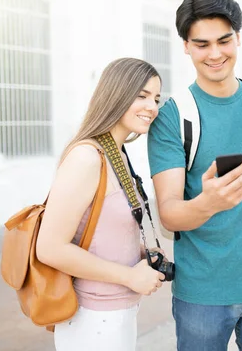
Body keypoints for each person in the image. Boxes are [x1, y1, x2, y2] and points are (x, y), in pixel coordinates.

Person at [147, 0, 242, 350]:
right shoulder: (172, 117)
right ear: (185, 46)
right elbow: (169, 215)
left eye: (224, 41)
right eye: (202, 44)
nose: (215, 54)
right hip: (203, 294)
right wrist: (208, 202)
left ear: (238, 39)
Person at [36, 58, 166, 351]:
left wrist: (140, 253)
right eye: (142, 95)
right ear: (116, 93)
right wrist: (129, 276)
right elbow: (50, 248)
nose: (152, 107)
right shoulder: (87, 157)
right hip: (93, 318)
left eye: (156, 98)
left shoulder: (116, 153)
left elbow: (98, 232)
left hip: (116, 313)